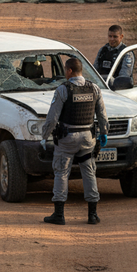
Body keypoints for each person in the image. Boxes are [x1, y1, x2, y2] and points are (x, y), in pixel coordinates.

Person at [41, 58, 109, 225]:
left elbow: (52, 119)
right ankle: (92, 214)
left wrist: (45, 136)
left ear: (69, 70)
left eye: (65, 69)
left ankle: (59, 214)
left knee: (61, 172)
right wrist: (104, 133)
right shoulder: (94, 88)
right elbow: (102, 114)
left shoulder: (63, 90)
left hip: (67, 139)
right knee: (89, 172)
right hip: (87, 139)